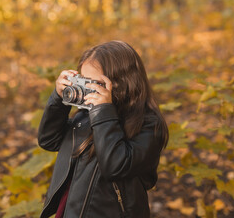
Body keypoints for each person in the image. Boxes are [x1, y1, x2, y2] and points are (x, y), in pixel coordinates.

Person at [38, 40, 169, 218]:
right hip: (72, 210)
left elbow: (116, 166)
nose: (86, 90)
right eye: (83, 81)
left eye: (93, 83)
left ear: (122, 82)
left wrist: (103, 113)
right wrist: (58, 99)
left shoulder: (149, 125)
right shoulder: (86, 116)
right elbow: (49, 140)